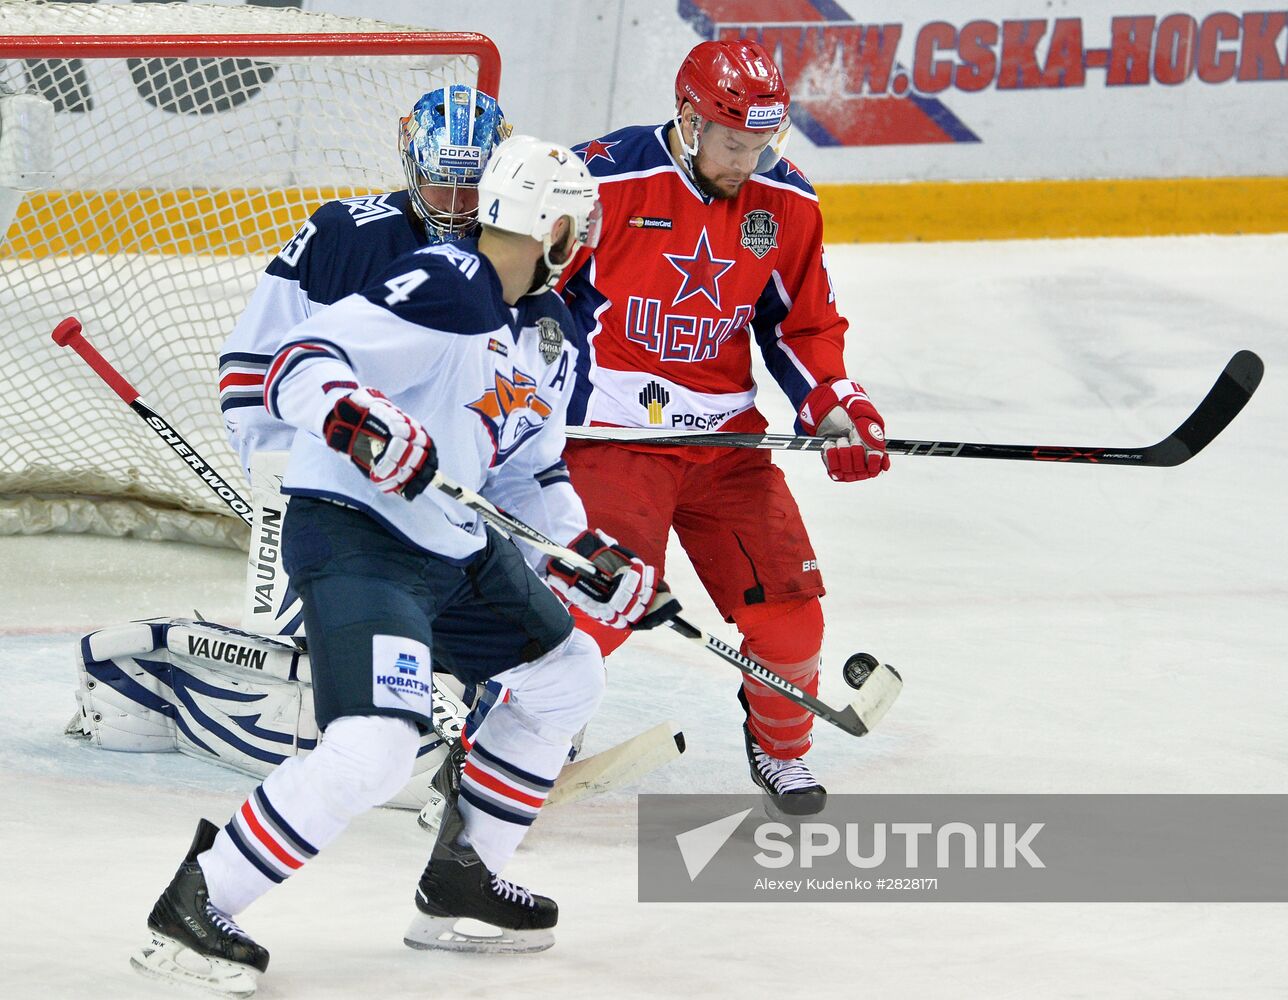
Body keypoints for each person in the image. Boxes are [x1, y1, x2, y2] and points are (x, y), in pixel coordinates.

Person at [131, 135, 679, 995]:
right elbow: (301, 363)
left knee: (566, 674)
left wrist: (584, 554)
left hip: (456, 546)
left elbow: (529, 472)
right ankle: (201, 900)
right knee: (376, 748)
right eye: (585, 225)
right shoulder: (447, 282)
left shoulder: (550, 327)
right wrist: (358, 421)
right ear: (559, 225)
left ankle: (461, 883)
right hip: (358, 534)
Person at [559, 39, 890, 816]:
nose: (750, 159)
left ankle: (781, 750)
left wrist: (836, 406)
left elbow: (800, 327)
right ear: (688, 117)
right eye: (735, 142)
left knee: (791, 620)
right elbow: (525, 294)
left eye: (764, 143)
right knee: (592, 610)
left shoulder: (787, 201)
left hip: (723, 442)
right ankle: (536, 732)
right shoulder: (599, 179)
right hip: (611, 436)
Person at [218, 83, 511, 481]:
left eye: (473, 184)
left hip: (463, 490)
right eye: (440, 184)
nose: (456, 203)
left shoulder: (520, 255)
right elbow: (254, 361)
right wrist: (273, 460)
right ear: (412, 162)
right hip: (336, 482)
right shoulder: (340, 234)